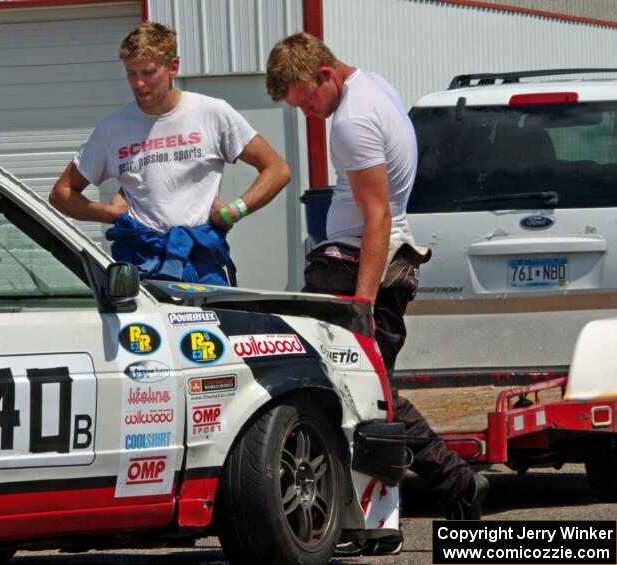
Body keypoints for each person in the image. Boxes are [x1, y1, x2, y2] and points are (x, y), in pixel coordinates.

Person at [265, 32, 489, 553]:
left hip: (354, 270)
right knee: (370, 397)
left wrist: (362, 302)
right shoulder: (375, 87)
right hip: (375, 265)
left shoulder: (350, 120)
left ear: (325, 75)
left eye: (307, 102)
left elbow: (377, 216)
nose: (310, 115)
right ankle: (413, 507)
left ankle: (442, 491)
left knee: (344, 395)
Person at [50, 22, 291, 286]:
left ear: (173, 68)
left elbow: (277, 169)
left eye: (148, 72)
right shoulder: (113, 129)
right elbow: (62, 193)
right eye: (131, 73)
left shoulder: (212, 113)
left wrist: (233, 211)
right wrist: (110, 214)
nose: (139, 83)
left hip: (200, 261)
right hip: (141, 263)